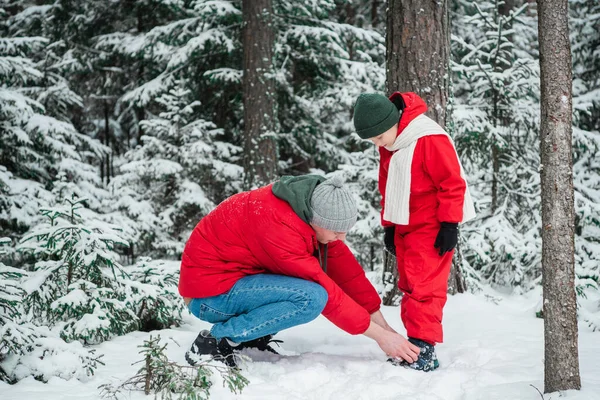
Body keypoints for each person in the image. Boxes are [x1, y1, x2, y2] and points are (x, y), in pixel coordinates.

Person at [179, 174, 421, 368]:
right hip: (209, 296)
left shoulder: (306, 209)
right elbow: (327, 292)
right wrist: (380, 337)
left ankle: (250, 337)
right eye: (337, 231)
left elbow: (348, 274)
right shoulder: (279, 227)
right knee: (310, 298)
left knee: (307, 289)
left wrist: (387, 328)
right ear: (317, 221)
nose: (342, 237)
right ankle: (216, 341)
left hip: (234, 282)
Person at [352, 92, 476, 372]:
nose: (376, 144)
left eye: (377, 137)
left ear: (391, 123)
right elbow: (388, 187)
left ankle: (423, 350)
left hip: (432, 225)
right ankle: (413, 345)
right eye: (372, 140)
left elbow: (452, 183)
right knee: (409, 285)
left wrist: (450, 224)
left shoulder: (429, 138)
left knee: (424, 287)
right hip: (404, 222)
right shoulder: (392, 143)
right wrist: (389, 226)